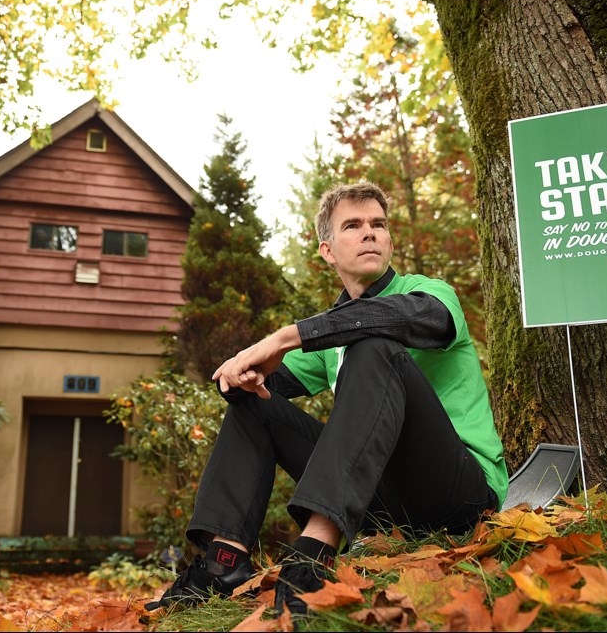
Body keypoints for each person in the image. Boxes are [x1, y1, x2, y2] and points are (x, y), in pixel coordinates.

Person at [145, 181, 508, 618]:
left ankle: (313, 554)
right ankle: (223, 563)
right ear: (328, 251)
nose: (370, 232)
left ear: (390, 239)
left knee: (374, 344)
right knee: (253, 402)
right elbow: (264, 388)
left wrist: (285, 336)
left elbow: (391, 321)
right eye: (353, 225)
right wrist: (240, 373)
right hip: (384, 505)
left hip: (460, 494)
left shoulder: (429, 294)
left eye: (378, 224)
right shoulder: (335, 337)